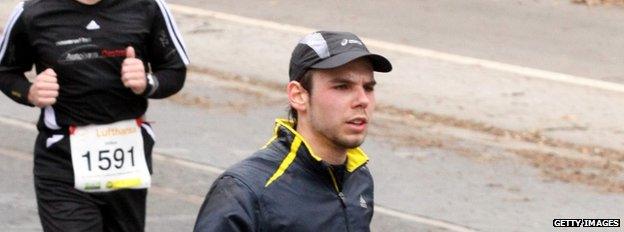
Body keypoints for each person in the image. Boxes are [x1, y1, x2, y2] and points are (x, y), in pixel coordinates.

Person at [0, 0, 188, 231]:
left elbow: (174, 70)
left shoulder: (148, 7)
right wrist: (30, 92)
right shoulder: (33, 12)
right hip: (62, 159)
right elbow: (6, 71)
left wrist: (148, 82)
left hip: (127, 160)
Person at [193, 31, 392, 231]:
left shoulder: (358, 176)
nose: (363, 100)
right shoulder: (245, 190)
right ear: (298, 96)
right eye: (342, 87)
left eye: (368, 87)